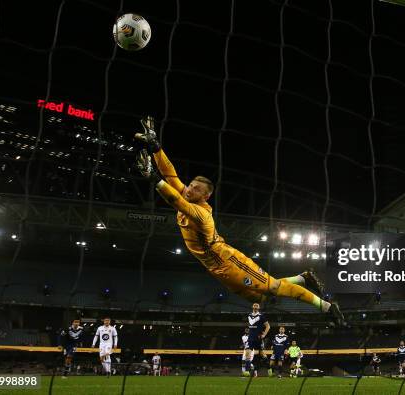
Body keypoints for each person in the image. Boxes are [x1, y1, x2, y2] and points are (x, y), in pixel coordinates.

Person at [134, 118, 344, 325]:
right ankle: (303, 278)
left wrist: (154, 179)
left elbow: (178, 202)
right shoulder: (187, 194)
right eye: (190, 185)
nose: (189, 189)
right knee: (259, 298)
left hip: (230, 262)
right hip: (216, 269)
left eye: (196, 189)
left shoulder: (202, 215)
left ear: (205, 197)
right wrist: (156, 147)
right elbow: (171, 175)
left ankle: (326, 308)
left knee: (272, 288)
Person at [244, 303, 269, 377]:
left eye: (257, 306)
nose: (255, 307)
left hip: (258, 339)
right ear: (252, 307)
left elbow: (268, 326)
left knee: (262, 355)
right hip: (250, 338)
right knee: (247, 354)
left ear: (259, 308)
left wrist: (264, 334)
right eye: (254, 305)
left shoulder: (261, 316)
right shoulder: (249, 315)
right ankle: (247, 371)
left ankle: (269, 367)